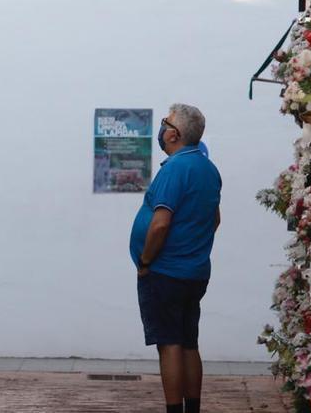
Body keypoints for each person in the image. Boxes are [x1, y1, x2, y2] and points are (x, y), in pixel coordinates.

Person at [129, 104, 222, 413]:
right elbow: (215, 219)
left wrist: (145, 261)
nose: (162, 128)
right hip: (195, 271)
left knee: (168, 344)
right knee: (189, 343)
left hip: (166, 272)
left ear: (173, 133)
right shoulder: (209, 169)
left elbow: (161, 222)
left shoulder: (175, 168)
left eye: (165, 122)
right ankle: (192, 407)